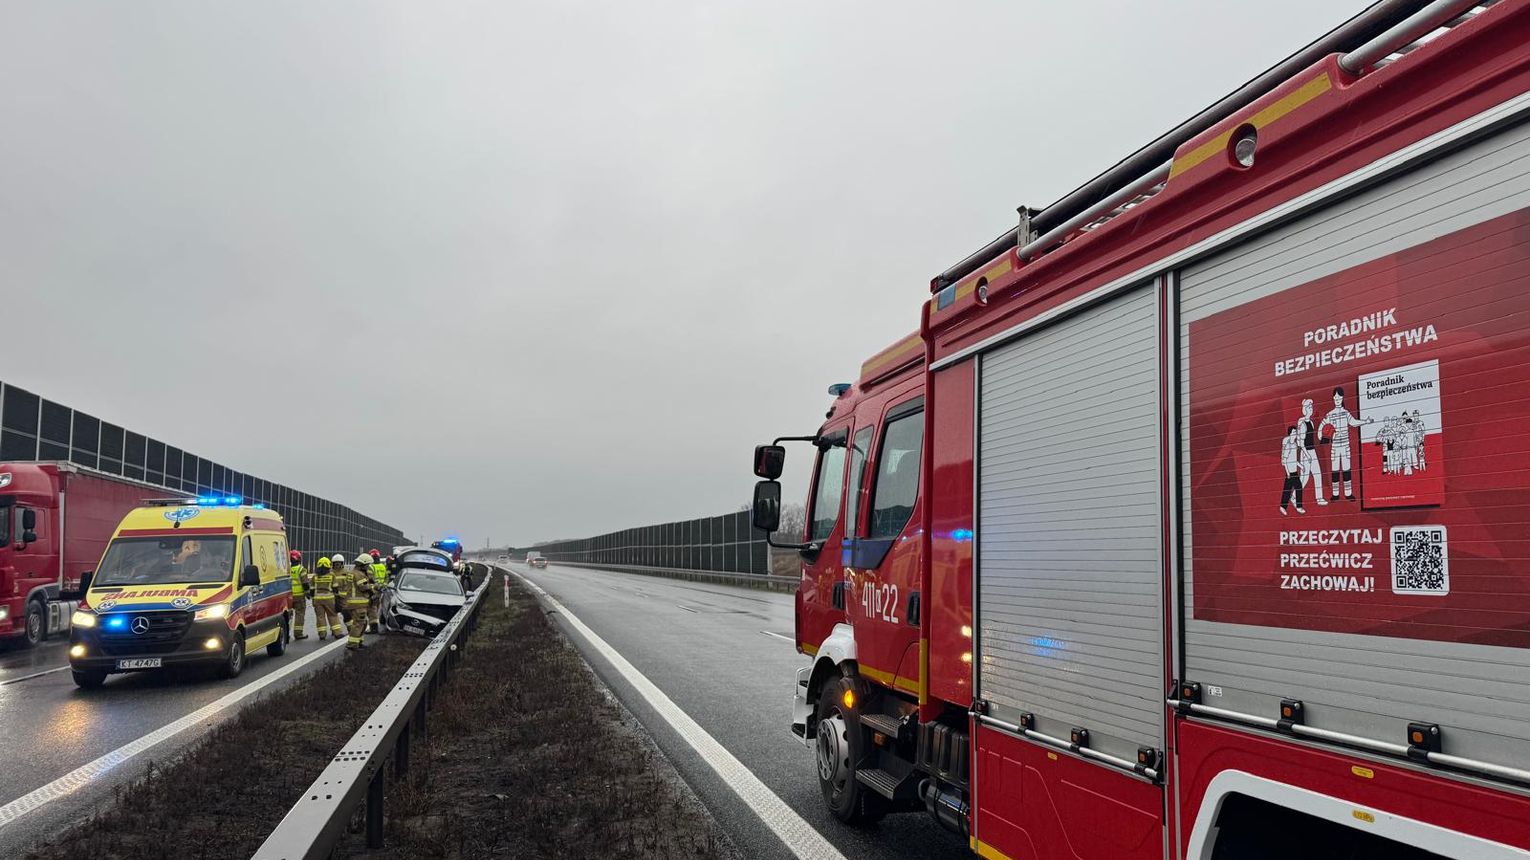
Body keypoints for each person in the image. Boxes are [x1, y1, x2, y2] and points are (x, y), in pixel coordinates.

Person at [1318, 386, 1373, 502]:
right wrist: (1321, 438)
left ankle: (1348, 493)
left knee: (1347, 470)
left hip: (1345, 445)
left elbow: (1353, 423)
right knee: (1335, 471)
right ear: (1333, 398)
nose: (1337, 399)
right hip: (1335, 446)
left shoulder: (1345, 413)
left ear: (1342, 398)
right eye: (1335, 397)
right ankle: (1335, 494)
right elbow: (1321, 426)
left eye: (1339, 397)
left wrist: (1365, 422)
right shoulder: (1330, 414)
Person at [1295, 399, 1328, 506]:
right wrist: (1307, 455)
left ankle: (1319, 498)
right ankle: (1294, 496)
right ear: (1304, 409)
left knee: (1317, 474)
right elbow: (1300, 442)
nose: (1311, 409)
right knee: (1305, 478)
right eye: (1309, 407)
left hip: (1312, 451)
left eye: (1311, 407)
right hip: (1305, 452)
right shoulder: (1302, 423)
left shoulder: (1311, 423)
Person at [345, 556, 375, 650]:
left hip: (354, 603)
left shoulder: (353, 572)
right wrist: (374, 587)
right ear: (362, 564)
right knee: (358, 623)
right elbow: (364, 587)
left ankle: (358, 642)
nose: (368, 567)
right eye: (367, 565)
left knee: (363, 623)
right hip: (358, 603)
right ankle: (352, 644)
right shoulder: (359, 574)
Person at [311, 555, 344, 640]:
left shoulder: (315, 577)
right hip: (329, 599)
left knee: (320, 617)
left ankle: (322, 634)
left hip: (317, 600)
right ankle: (337, 633)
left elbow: (312, 590)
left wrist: (313, 598)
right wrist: (338, 598)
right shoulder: (331, 575)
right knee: (332, 615)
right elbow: (335, 588)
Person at [1280, 425, 1305, 515]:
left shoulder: (1294, 445)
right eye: (1294, 432)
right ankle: (1283, 507)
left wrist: (1300, 465)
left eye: (1296, 432)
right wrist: (1287, 473)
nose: (1295, 434)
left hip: (1294, 471)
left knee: (1296, 487)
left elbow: (1294, 459)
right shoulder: (1288, 446)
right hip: (1290, 472)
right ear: (1290, 434)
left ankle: (1298, 506)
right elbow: (1285, 460)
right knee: (1288, 490)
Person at [288, 550, 310, 640]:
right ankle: (298, 633)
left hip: (288, 596)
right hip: (299, 596)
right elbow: (305, 583)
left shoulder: (287, 569)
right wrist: (308, 593)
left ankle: (286, 635)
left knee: (288, 616)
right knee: (299, 614)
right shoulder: (301, 569)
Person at [368, 549, 388, 633]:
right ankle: (375, 625)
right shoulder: (383, 566)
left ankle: (374, 627)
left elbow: (370, 579)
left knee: (372, 609)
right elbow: (387, 578)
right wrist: (383, 586)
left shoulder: (371, 567)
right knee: (376, 608)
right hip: (381, 591)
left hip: (373, 590)